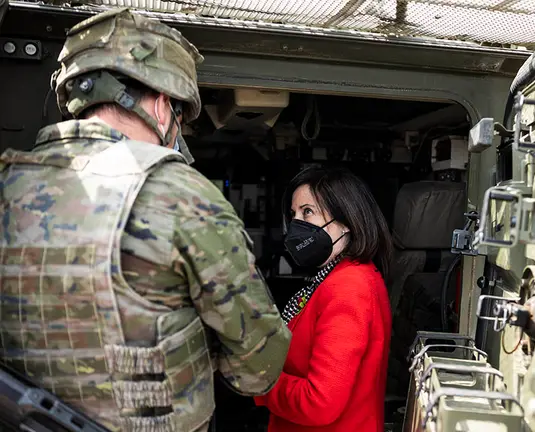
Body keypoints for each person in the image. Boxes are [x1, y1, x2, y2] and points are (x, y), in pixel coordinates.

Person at [0, 8, 290, 432]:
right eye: (178, 117)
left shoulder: (8, 183)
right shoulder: (180, 193)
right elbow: (258, 368)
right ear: (160, 104)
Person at [253, 166, 394, 432]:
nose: (297, 225)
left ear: (347, 222)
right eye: (293, 214)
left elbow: (319, 402)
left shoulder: (349, 287)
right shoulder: (334, 277)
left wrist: (259, 379)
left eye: (308, 212)